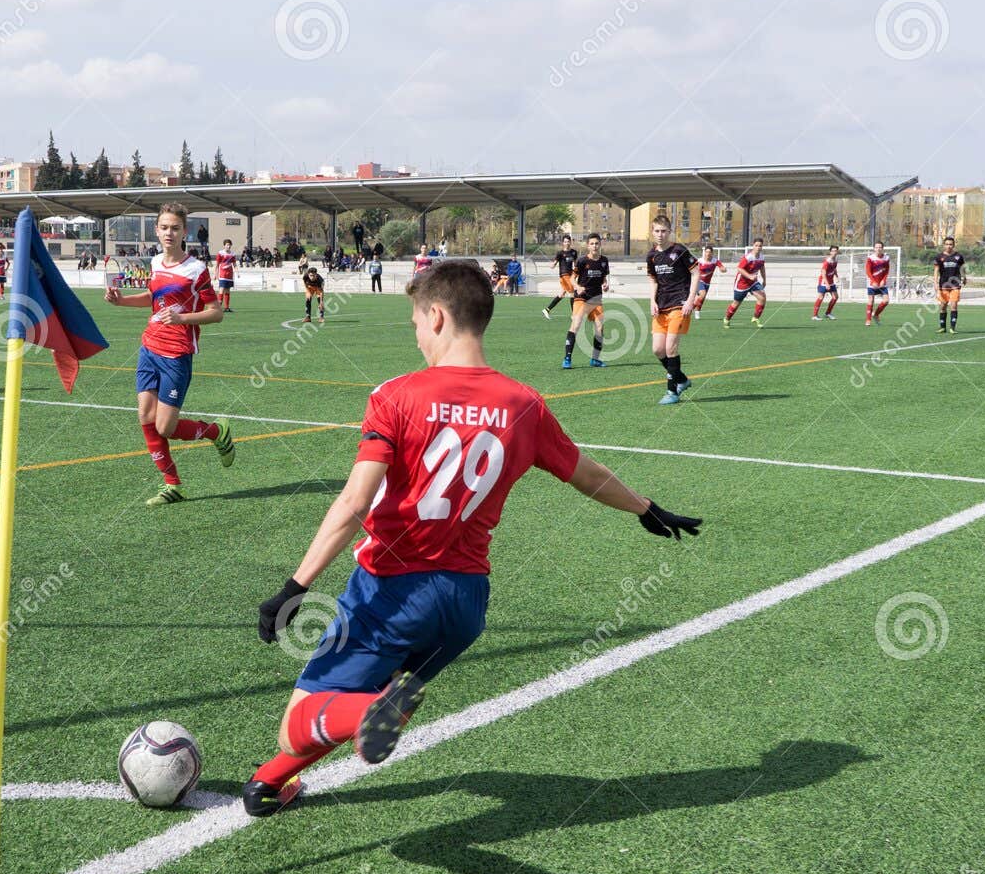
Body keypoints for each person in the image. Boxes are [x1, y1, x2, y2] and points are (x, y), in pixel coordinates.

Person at [243, 261, 702, 817]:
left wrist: (294, 585)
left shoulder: (396, 395)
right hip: (463, 604)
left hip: (391, 591)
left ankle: (361, 717)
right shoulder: (523, 403)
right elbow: (586, 474)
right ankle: (269, 784)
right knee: (366, 691)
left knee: (301, 723)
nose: (414, 333)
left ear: (436, 316)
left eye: (415, 320)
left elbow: (353, 503)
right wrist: (645, 508)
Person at [102, 203, 236, 507]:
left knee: (165, 427)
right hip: (149, 347)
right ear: (156, 230)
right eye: (164, 227)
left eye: (175, 228)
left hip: (176, 354)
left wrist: (182, 320)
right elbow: (153, 298)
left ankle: (216, 431)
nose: (169, 233)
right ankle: (172, 485)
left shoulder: (196, 269)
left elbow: (215, 313)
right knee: (145, 417)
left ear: (184, 231)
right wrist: (121, 301)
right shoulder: (155, 262)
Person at [646, 214, 699, 405]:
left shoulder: (679, 250)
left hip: (679, 303)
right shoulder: (651, 255)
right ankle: (682, 380)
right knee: (658, 350)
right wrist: (652, 300)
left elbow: (696, 271)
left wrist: (690, 300)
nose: (660, 235)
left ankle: (672, 392)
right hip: (661, 306)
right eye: (657, 231)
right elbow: (652, 279)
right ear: (652, 232)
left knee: (670, 348)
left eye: (663, 231)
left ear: (669, 232)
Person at [563, 232, 609, 369]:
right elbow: (572, 278)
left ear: (600, 245)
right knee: (576, 325)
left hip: (596, 300)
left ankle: (595, 359)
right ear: (588, 246)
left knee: (600, 328)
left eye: (596, 243)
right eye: (592, 244)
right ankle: (567, 358)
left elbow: (604, 278)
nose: (594, 246)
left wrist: (606, 285)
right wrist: (577, 287)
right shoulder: (582, 261)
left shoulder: (604, 261)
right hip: (582, 299)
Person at [724, 238, 768, 328]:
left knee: (762, 298)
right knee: (736, 303)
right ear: (753, 246)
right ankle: (727, 319)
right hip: (742, 283)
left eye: (760, 246)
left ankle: (755, 318)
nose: (758, 247)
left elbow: (762, 268)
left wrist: (764, 279)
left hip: (753, 283)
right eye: (756, 245)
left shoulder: (762, 257)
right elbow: (739, 268)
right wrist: (750, 276)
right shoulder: (748, 257)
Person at [931, 236, 968, 334]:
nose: (949, 246)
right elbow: (936, 271)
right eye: (947, 244)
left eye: (951, 244)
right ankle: (942, 327)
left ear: (954, 245)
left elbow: (963, 268)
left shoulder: (958, 256)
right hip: (943, 285)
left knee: (954, 305)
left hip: (955, 284)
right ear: (944, 245)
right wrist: (935, 283)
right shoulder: (939, 257)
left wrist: (964, 277)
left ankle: (952, 328)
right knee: (943, 306)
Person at [543, 234, 579, 318]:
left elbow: (576, 264)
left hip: (570, 275)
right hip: (564, 275)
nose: (567, 243)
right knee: (572, 293)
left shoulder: (573, 252)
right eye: (565, 242)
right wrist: (552, 265)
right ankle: (574, 315)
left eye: (568, 241)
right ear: (563, 243)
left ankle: (547, 310)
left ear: (571, 242)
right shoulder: (560, 253)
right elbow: (555, 263)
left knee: (561, 294)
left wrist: (577, 272)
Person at [692, 246, 723, 320]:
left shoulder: (715, 261)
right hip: (699, 281)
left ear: (712, 253)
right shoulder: (700, 261)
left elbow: (722, 267)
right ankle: (690, 308)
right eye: (706, 252)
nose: (708, 254)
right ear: (704, 252)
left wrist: (723, 269)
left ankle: (697, 313)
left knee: (701, 299)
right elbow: (693, 268)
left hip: (707, 283)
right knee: (702, 294)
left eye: (709, 252)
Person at [863, 242, 891, 325]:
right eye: (876, 247)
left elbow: (886, 270)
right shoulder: (870, 258)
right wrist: (873, 281)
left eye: (880, 247)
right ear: (874, 249)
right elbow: (868, 271)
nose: (878, 249)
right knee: (871, 301)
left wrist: (884, 280)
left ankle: (876, 314)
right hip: (872, 283)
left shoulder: (886, 258)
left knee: (886, 301)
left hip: (882, 283)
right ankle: (868, 320)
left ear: (882, 248)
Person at [812, 245, 840, 320]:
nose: (834, 252)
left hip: (831, 281)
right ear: (830, 252)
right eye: (833, 251)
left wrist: (836, 276)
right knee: (821, 297)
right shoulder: (827, 261)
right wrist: (827, 284)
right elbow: (823, 273)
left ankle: (828, 313)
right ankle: (814, 315)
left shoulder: (836, 260)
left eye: (836, 251)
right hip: (824, 282)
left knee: (835, 297)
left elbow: (834, 269)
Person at [214, 239, 237, 312]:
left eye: (230, 245)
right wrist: (215, 274)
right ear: (224, 245)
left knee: (227, 290)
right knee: (222, 289)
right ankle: (218, 307)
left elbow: (234, 264)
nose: (228, 246)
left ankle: (227, 307)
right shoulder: (220, 253)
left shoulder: (232, 254)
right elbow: (217, 265)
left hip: (229, 275)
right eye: (227, 245)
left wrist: (237, 271)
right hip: (222, 274)